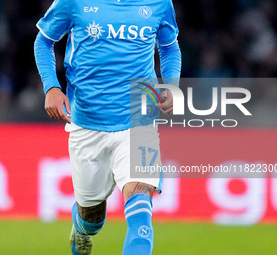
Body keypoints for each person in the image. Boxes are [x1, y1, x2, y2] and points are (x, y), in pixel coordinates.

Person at [34, 0, 181, 254]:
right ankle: (81, 228)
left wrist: (171, 83)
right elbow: (44, 41)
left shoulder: (159, 3)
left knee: (141, 212)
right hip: (88, 124)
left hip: (139, 120)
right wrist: (52, 87)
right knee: (92, 219)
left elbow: (169, 48)